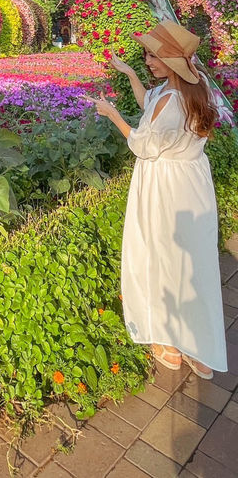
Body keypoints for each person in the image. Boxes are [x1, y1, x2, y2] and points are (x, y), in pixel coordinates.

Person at [83, 19, 228, 379]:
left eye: (152, 56)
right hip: (193, 182)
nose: (148, 61)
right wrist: (129, 73)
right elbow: (150, 103)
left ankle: (168, 342)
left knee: (160, 255)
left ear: (170, 61)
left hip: (164, 184)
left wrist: (111, 113)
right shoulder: (195, 86)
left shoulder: (172, 102)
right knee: (193, 261)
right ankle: (199, 345)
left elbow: (142, 144)